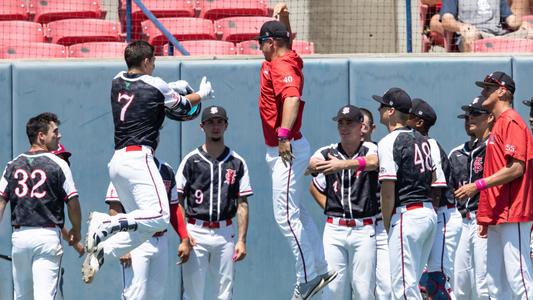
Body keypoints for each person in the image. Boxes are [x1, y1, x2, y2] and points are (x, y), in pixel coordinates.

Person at [82, 40, 214, 283]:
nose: (154, 66)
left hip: (117, 161)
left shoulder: (116, 80)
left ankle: (103, 252)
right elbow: (184, 105)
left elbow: (144, 89)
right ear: (145, 61)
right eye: (153, 61)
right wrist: (202, 94)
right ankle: (105, 223)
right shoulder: (155, 85)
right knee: (160, 217)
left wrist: (172, 86)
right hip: (138, 158)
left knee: (145, 226)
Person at [257, 11, 336, 299]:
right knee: (298, 212)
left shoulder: (280, 64)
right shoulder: (287, 57)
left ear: (271, 43)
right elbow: (287, 43)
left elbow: (291, 97)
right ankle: (321, 267)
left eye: (261, 42)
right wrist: (284, 21)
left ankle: (306, 278)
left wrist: (283, 136)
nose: (259, 47)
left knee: (285, 217)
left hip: (286, 149)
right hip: (284, 148)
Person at [456, 71, 533, 298]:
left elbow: (516, 168)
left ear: (502, 91)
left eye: (488, 88)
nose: (483, 92)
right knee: (494, 284)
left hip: (513, 212)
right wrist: (485, 215)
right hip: (498, 212)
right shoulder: (499, 123)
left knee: (520, 280)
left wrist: (477, 185)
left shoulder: (511, 121)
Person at [0, 112, 82, 299]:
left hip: (20, 238)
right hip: (46, 237)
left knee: (21, 297)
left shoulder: (12, 165)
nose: (58, 135)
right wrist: (77, 230)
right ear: (41, 136)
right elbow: (73, 202)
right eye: (55, 131)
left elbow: (1, 202)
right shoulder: (59, 164)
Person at [176, 106, 252, 300]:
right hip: (196, 231)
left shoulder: (237, 162)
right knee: (192, 294)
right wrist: (184, 235)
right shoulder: (191, 160)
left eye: (219, 121)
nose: (215, 126)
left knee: (224, 293)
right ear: (202, 127)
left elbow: (242, 203)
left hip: (225, 233)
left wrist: (242, 240)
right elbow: (178, 201)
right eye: (210, 122)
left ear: (226, 125)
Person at [307, 105, 379, 299]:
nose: (344, 127)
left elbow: (374, 161)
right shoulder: (328, 150)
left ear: (361, 126)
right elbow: (313, 163)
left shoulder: (369, 148)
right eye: (341, 123)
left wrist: (342, 165)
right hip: (334, 229)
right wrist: (331, 207)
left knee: (363, 290)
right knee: (332, 289)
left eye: (350, 122)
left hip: (364, 228)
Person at [373, 88, 437, 300]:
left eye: (382, 105)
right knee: (411, 285)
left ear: (391, 111)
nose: (379, 108)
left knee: (403, 289)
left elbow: (388, 190)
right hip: (427, 215)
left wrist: (387, 222)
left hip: (407, 216)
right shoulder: (422, 139)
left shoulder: (388, 142)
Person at [104, 152, 191, 300]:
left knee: (156, 295)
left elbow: (173, 206)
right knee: (134, 295)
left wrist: (184, 237)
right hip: (135, 238)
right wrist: (122, 244)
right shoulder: (125, 167)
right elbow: (115, 207)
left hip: (161, 239)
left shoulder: (166, 169)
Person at [406, 98, 463, 298]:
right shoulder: (411, 144)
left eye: (409, 116)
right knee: (424, 282)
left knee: (436, 281)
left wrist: (429, 220)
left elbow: (437, 188)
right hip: (433, 216)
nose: (404, 119)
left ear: (419, 122)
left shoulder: (429, 144)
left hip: (443, 215)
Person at [452, 96, 494, 299]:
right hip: (462, 222)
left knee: (483, 284)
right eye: (467, 115)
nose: (469, 119)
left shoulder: (494, 147)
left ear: (490, 117)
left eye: (475, 114)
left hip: (484, 220)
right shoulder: (457, 152)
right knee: (459, 283)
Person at [360, 108, 391, 300]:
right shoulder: (339, 152)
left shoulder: (381, 150)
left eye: (364, 125)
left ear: (372, 128)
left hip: (380, 226)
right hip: (357, 227)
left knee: (386, 287)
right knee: (363, 289)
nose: (360, 129)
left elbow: (373, 162)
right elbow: (316, 186)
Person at [440, 0, 530, 52]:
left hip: (499, 36)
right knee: (471, 36)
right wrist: (462, 26)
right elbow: (446, 20)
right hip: (474, 33)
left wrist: (522, 23)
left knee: (530, 33)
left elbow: (511, 20)